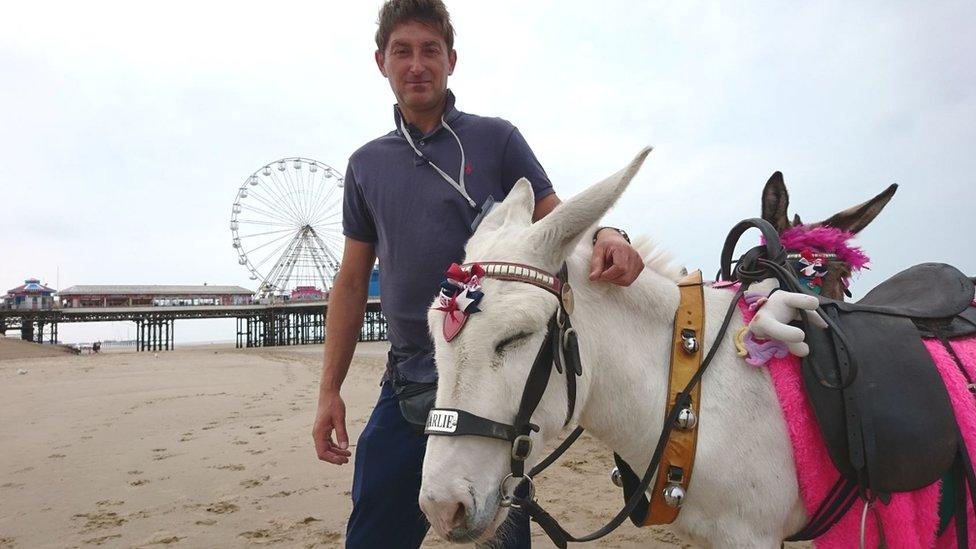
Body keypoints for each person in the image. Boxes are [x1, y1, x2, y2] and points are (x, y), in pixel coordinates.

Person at [311, 1, 645, 547]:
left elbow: (557, 221)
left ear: (451, 60)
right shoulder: (366, 165)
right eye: (402, 51)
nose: (416, 64)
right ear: (381, 62)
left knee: (499, 533)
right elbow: (351, 284)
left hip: (491, 386)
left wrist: (612, 235)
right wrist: (329, 392)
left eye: (430, 50)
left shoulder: (498, 139)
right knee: (372, 532)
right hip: (409, 378)